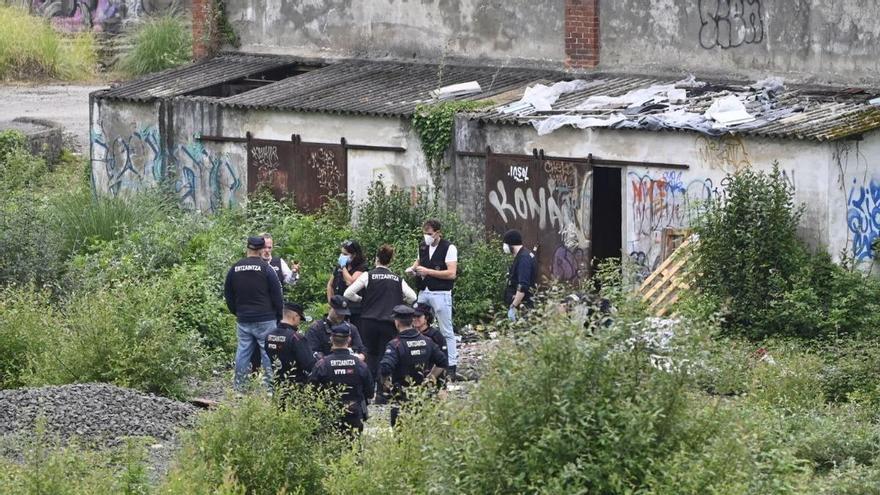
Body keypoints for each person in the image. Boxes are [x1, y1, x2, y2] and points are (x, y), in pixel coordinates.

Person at [344, 244, 417, 386]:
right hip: (389, 322)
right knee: (385, 355)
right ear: (391, 261)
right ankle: (382, 391)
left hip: (368, 321)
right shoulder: (397, 279)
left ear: (376, 259)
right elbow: (413, 297)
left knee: (369, 354)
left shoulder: (368, 275)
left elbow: (348, 293)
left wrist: (361, 300)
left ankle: (369, 387)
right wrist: (400, 302)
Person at [224, 236, 283, 391]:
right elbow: (277, 295)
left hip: (243, 318)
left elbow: (228, 294)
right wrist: (279, 315)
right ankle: (269, 389)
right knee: (268, 352)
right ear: (261, 249)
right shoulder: (266, 269)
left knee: (243, 352)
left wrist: (237, 312)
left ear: (247, 249)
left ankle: (240, 389)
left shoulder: (235, 268)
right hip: (265, 318)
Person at [379, 305, 447, 427]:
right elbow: (442, 362)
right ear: (412, 321)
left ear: (397, 322)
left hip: (402, 397)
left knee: (402, 438)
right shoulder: (427, 341)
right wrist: (431, 378)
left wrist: (385, 383)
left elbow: (385, 368)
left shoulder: (396, 344)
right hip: (423, 395)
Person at [407, 219, 458, 380]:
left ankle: (451, 365)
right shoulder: (422, 246)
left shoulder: (448, 248)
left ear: (437, 233)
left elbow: (451, 273)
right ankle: (419, 361)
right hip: (424, 290)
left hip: (441, 292)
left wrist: (428, 271)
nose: (427, 237)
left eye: (429, 234)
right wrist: (413, 270)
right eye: (425, 234)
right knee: (416, 323)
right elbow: (418, 263)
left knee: (446, 329)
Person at [308, 324, 375, 435]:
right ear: (349, 339)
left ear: (331, 339)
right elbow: (370, 392)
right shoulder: (360, 365)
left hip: (328, 415)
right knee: (353, 448)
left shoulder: (322, 364)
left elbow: (311, 390)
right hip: (354, 415)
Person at [250, 233, 300, 373]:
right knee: (256, 343)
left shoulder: (278, 262)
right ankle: (255, 370)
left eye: (269, 247)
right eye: (264, 247)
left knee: (274, 342)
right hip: (257, 310)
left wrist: (295, 272)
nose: (267, 250)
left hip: (275, 310)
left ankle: (275, 371)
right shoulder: (253, 264)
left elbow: (291, 281)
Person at [264, 302, 316, 388]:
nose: (299, 323)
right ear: (295, 317)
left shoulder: (269, 336)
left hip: (278, 386)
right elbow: (309, 365)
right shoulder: (296, 338)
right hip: (296, 387)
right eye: (300, 319)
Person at [305, 295, 366, 361]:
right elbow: (311, 352)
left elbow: (361, 349)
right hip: (325, 367)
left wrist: (361, 356)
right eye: (337, 312)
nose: (341, 315)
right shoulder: (316, 328)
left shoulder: (351, 328)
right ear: (329, 308)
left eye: (343, 313)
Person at [326, 240, 367, 330]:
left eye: (345, 254)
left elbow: (351, 282)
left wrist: (343, 267)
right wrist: (330, 301)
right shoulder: (339, 266)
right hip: (338, 307)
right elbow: (330, 284)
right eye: (342, 253)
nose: (342, 256)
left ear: (354, 254)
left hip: (354, 309)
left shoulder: (361, 267)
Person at [502, 229, 537, 322]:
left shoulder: (523, 259)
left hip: (523, 307)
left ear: (511, 245)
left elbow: (522, 286)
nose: (504, 247)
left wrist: (513, 306)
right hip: (522, 305)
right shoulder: (524, 254)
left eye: (505, 244)